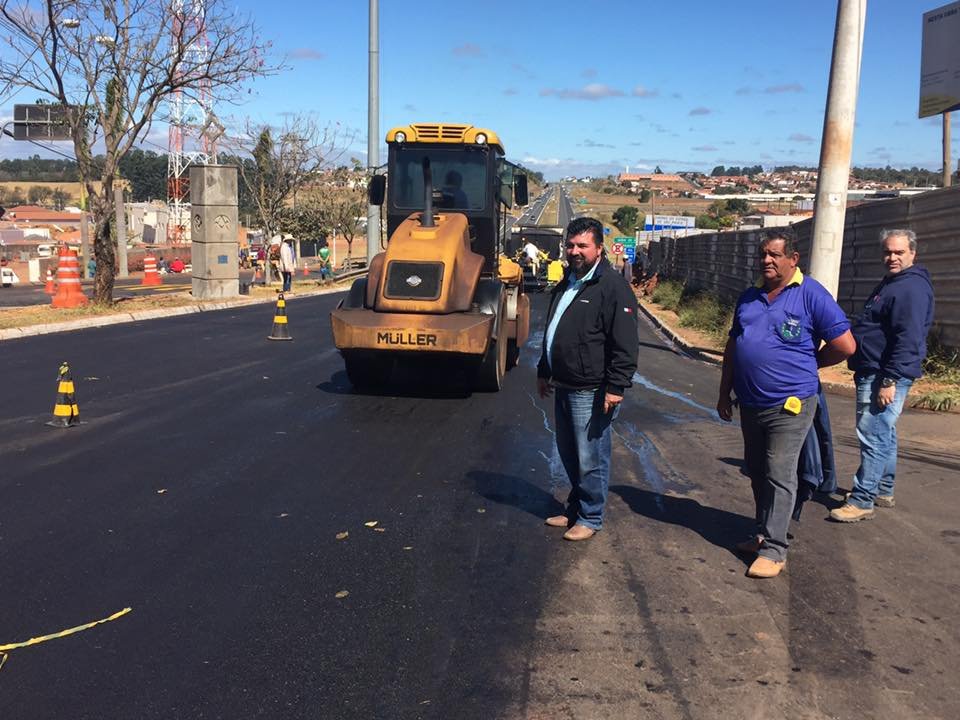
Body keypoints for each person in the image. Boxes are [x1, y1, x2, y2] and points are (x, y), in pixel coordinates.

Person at [717, 228, 855, 578]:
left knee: (779, 471)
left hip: (791, 403)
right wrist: (724, 392)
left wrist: (810, 363)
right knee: (757, 470)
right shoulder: (749, 297)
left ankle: (775, 549)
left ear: (793, 259)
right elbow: (734, 346)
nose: (766, 260)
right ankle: (762, 534)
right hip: (750, 401)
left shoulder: (811, 294)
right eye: (763, 254)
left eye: (775, 255)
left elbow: (845, 345)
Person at [537, 217, 639, 541]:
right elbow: (552, 328)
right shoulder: (568, 281)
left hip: (591, 389)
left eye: (582, 245)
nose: (575, 251)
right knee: (569, 453)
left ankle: (591, 517)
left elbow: (625, 342)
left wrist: (616, 386)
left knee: (590, 457)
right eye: (570, 245)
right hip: (564, 384)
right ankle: (575, 508)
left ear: (599, 249)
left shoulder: (612, 286)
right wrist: (544, 370)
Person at [830, 229, 935, 523]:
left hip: (884, 373)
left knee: (873, 434)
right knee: (883, 432)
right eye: (888, 252)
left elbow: (908, 338)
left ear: (913, 253)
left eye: (899, 252)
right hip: (875, 369)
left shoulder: (910, 289)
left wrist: (890, 380)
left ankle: (862, 499)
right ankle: (883, 489)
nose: (892, 257)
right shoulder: (894, 282)